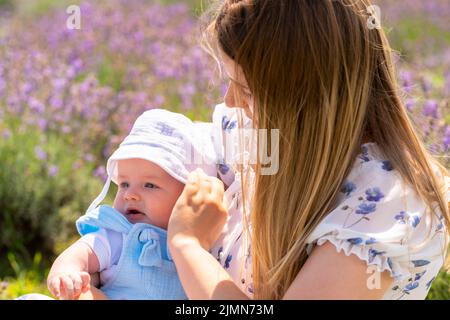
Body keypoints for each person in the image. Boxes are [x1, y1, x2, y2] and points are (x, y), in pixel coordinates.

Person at [165, 0, 450, 300]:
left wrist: (188, 245)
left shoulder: (387, 204)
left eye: (247, 90)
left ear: (303, 97)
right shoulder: (255, 133)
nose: (232, 101)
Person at [44, 108, 219, 300]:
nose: (130, 195)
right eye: (124, 184)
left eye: (150, 185)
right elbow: (83, 252)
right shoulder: (119, 235)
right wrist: (66, 273)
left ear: (188, 195)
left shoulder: (201, 243)